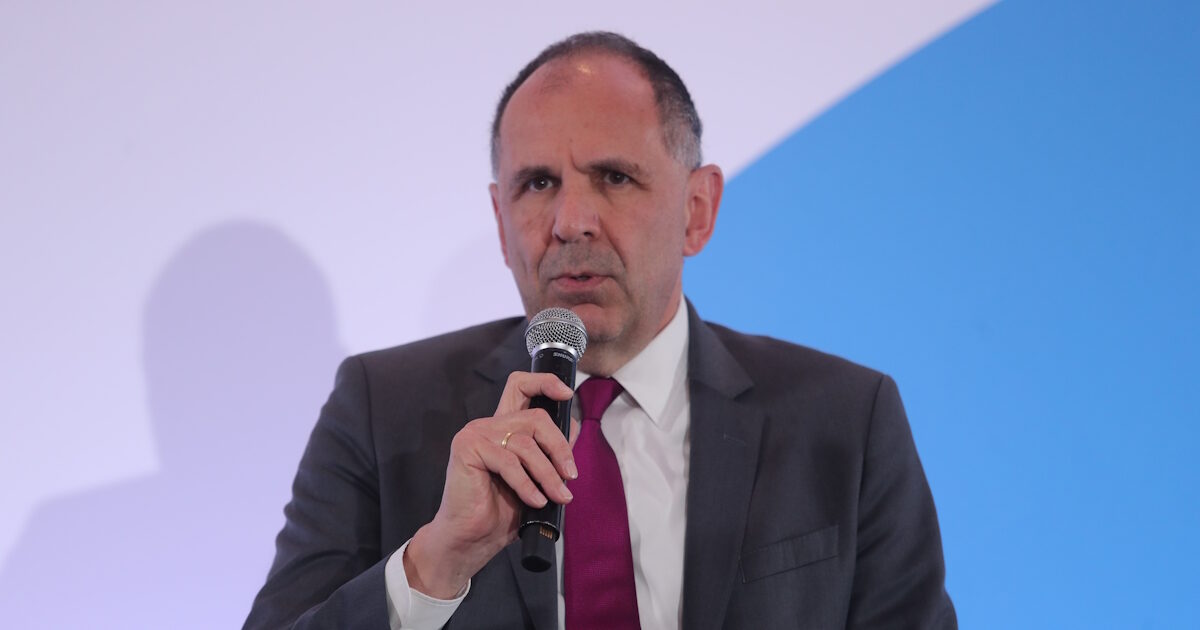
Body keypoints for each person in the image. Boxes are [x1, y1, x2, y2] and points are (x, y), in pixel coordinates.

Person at [245, 31, 956, 629]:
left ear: (698, 210)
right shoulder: (382, 408)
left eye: (614, 177)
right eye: (538, 183)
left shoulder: (845, 420)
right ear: (501, 223)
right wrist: (434, 566)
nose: (570, 221)